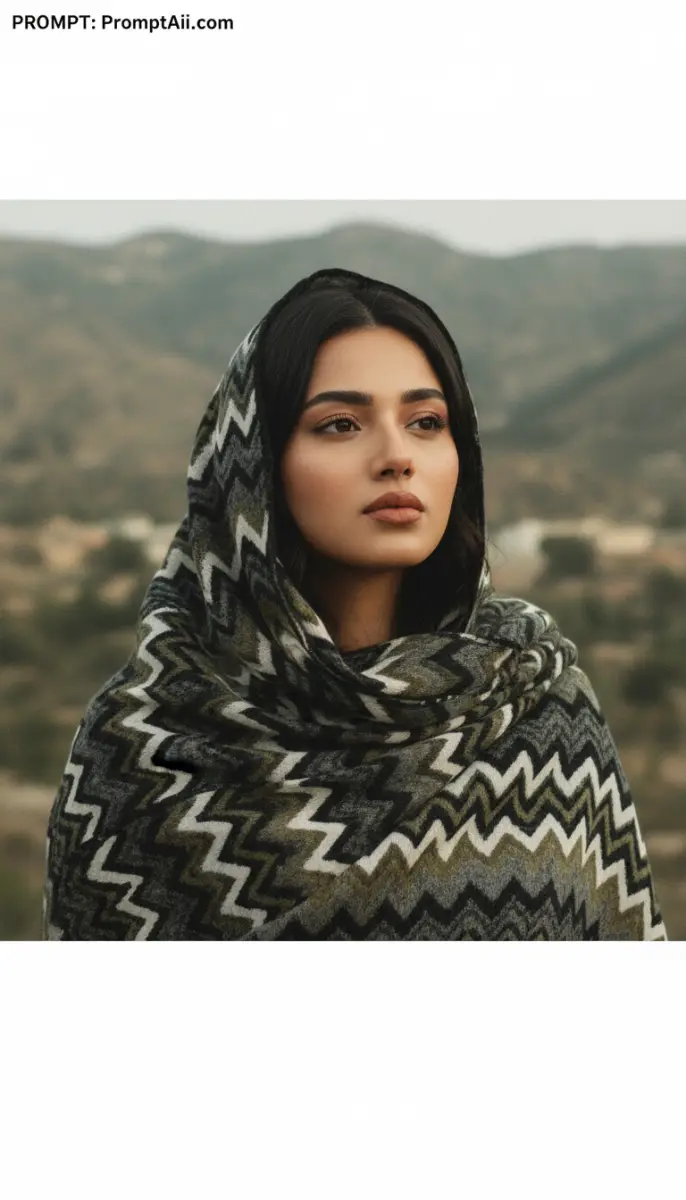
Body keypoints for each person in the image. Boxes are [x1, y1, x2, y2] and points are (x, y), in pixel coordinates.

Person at [42, 267, 667, 940]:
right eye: (340, 424)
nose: (398, 456)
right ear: (254, 467)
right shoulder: (142, 738)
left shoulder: (537, 707)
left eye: (427, 422)